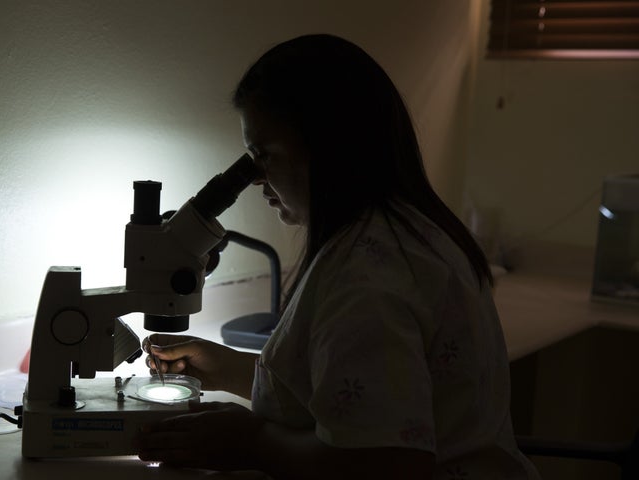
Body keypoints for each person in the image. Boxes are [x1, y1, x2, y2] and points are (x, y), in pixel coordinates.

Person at [135, 34, 540, 480]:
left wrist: (250, 443)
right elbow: (360, 395)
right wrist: (234, 370)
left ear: (328, 147)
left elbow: (386, 464)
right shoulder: (404, 231)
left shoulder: (367, 277)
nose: (254, 179)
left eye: (263, 156)